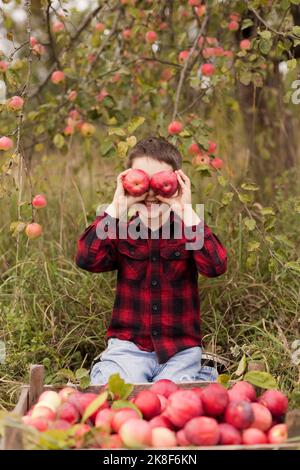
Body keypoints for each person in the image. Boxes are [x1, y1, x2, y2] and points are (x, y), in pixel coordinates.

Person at [75, 136, 227, 384]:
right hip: (128, 349)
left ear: (177, 182)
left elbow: (216, 266)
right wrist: (116, 205)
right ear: (127, 181)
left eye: (160, 180)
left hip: (179, 351)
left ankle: (200, 374)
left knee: (171, 402)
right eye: (141, 180)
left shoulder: (188, 230)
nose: (151, 191)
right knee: (117, 394)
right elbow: (86, 258)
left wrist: (186, 210)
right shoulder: (121, 232)